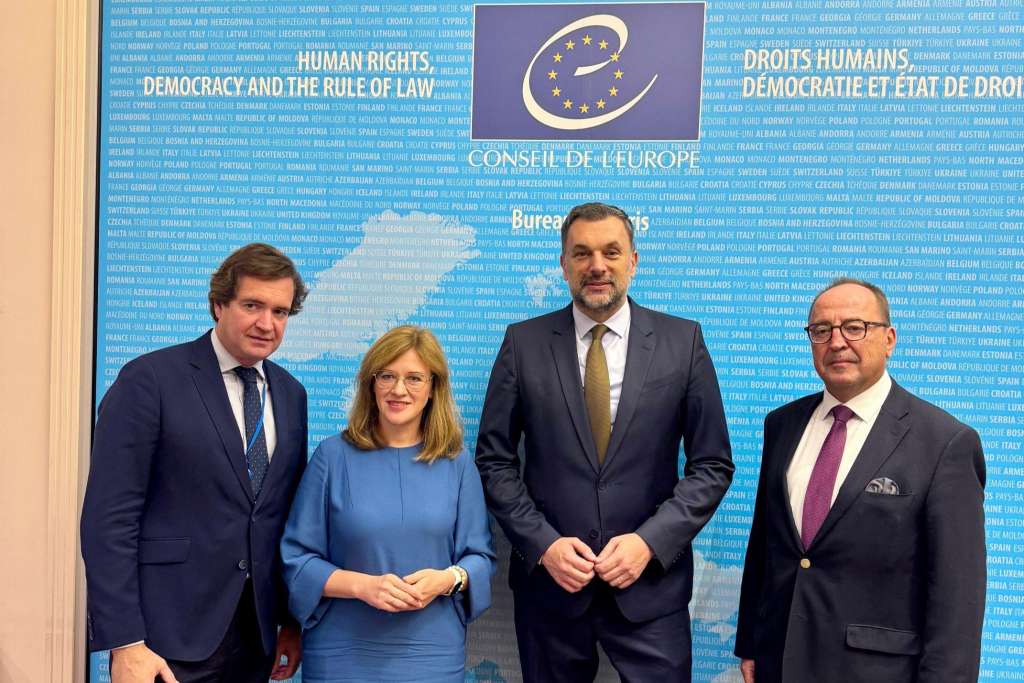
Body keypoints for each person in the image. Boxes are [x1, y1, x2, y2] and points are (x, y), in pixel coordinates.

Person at [475, 202, 734, 682]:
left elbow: (712, 465)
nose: (597, 266)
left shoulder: (683, 341)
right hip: (552, 590)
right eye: (582, 253)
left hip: (651, 590)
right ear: (564, 265)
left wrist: (649, 543)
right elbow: (494, 460)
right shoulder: (523, 344)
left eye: (611, 252)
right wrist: (543, 545)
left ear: (633, 260)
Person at [735, 278, 986, 683]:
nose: (837, 342)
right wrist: (750, 640)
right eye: (822, 330)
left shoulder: (944, 442)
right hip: (779, 660)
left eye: (855, 327)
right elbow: (765, 544)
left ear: (889, 339)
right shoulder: (782, 425)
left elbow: (957, 594)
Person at [80, 243, 309, 683]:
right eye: (252, 305)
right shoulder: (150, 380)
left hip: (255, 638)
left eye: (280, 312)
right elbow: (109, 519)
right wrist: (125, 642)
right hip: (164, 640)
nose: (267, 323)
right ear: (219, 304)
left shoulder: (291, 394)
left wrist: (289, 622)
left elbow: (282, 519)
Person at [280, 325, 495, 683]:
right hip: (341, 650)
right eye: (387, 376)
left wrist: (446, 579)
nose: (398, 390)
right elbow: (297, 560)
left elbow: (480, 559)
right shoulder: (331, 457)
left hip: (432, 651)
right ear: (371, 384)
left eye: (414, 378)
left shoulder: (457, 463)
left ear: (433, 388)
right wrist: (363, 587)